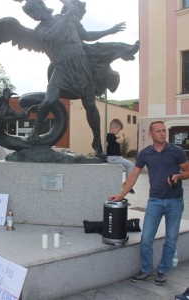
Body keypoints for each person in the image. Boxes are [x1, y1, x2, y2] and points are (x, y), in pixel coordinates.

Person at [20, 0, 139, 160]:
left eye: (34, 10)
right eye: (30, 14)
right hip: (61, 68)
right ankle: (35, 131)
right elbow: (52, 35)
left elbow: (88, 36)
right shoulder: (40, 30)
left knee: (90, 106)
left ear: (41, 6)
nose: (33, 16)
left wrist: (110, 30)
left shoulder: (65, 18)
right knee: (48, 100)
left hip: (81, 65)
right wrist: (68, 13)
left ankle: (97, 143)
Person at [109, 121, 189, 286]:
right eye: (158, 131)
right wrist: (121, 194)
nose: (162, 133)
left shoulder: (176, 151)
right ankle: (146, 270)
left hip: (175, 201)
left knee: (171, 239)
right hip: (155, 201)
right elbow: (133, 177)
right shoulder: (145, 154)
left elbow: (187, 171)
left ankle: (162, 271)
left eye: (163, 131)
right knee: (146, 238)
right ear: (151, 134)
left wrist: (179, 176)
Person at [106, 118, 135, 194]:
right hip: (113, 158)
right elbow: (120, 141)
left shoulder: (113, 137)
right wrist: (121, 137)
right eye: (118, 130)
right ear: (113, 128)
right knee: (130, 165)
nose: (119, 131)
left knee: (129, 164)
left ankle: (127, 185)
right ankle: (128, 185)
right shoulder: (110, 136)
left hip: (117, 158)